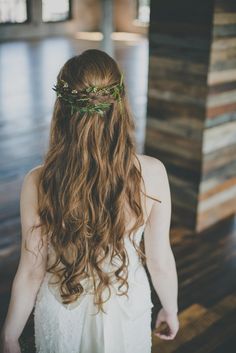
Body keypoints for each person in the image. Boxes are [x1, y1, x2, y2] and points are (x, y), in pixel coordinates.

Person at [0, 49, 179, 353]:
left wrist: (9, 336)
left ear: (62, 108)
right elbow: (159, 260)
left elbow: (32, 270)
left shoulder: (38, 182)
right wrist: (170, 309)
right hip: (124, 303)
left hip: (62, 305)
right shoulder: (153, 172)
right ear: (119, 105)